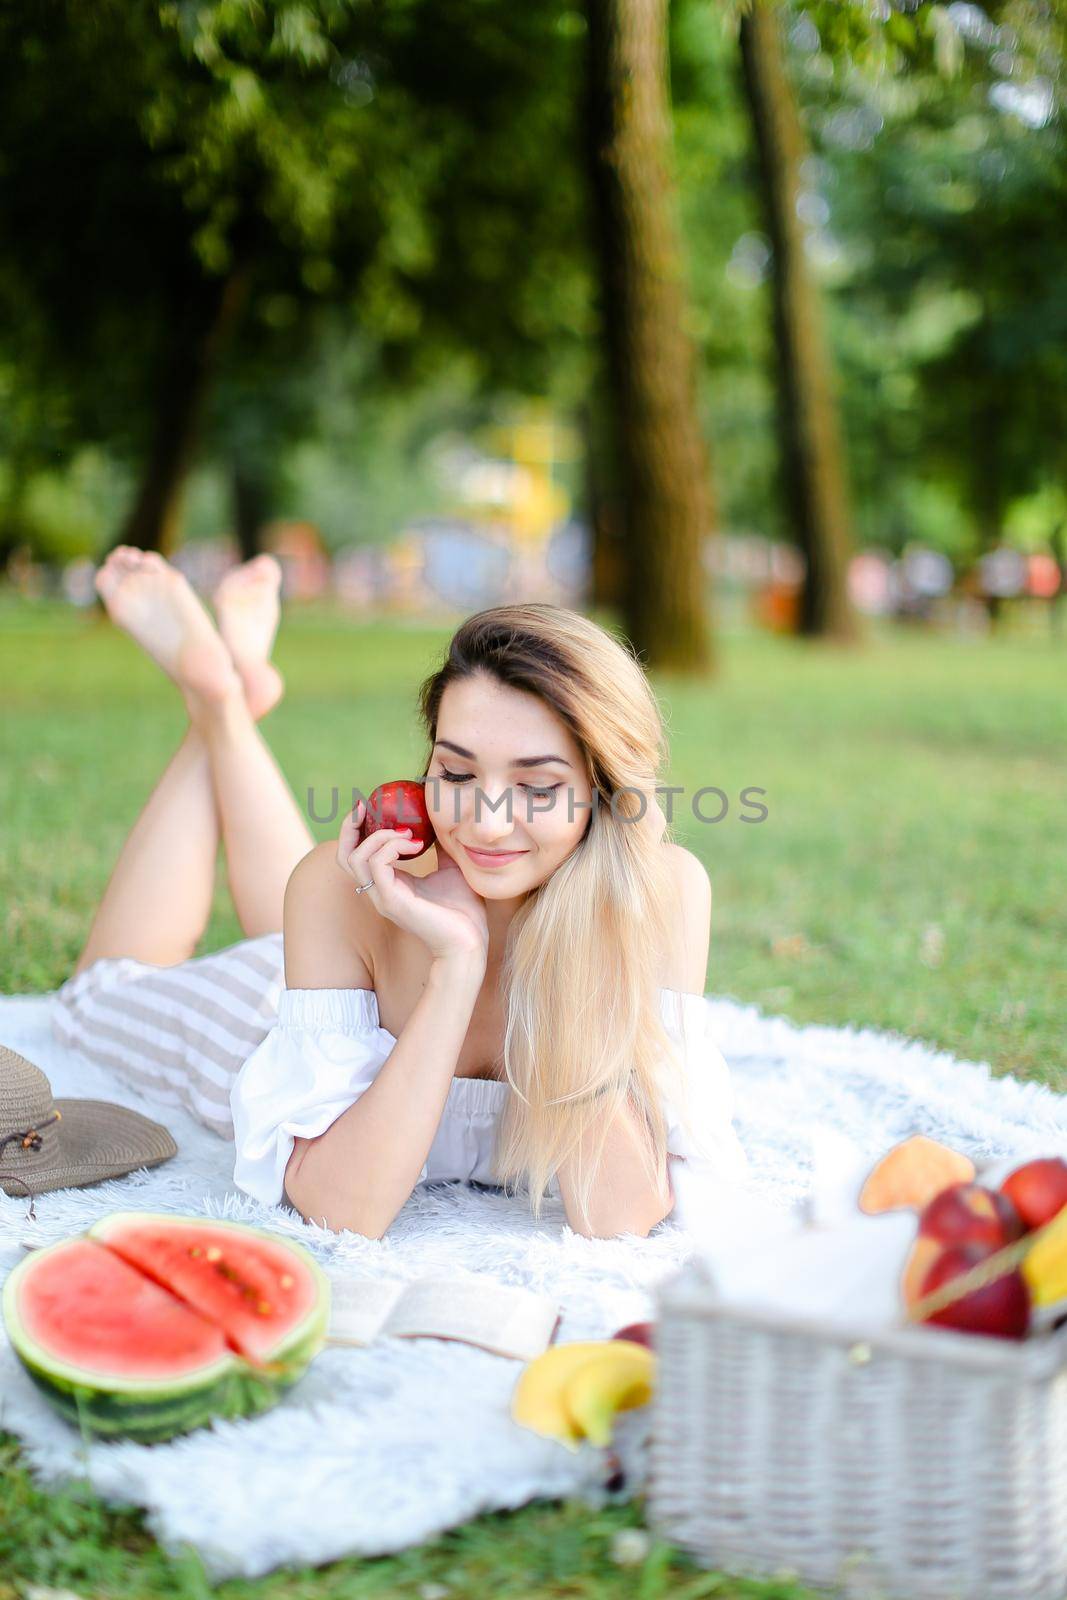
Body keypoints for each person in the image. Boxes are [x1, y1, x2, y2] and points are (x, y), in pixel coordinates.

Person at [49, 548, 748, 1240]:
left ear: (605, 793)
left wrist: (575, 949)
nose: (484, 820)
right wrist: (454, 968)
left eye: (538, 786)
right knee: (99, 991)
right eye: (457, 772)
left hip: (341, 970)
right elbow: (341, 1212)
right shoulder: (343, 889)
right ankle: (217, 701)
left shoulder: (663, 895)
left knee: (308, 912)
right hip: (262, 1016)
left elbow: (617, 1215)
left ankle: (228, 706)